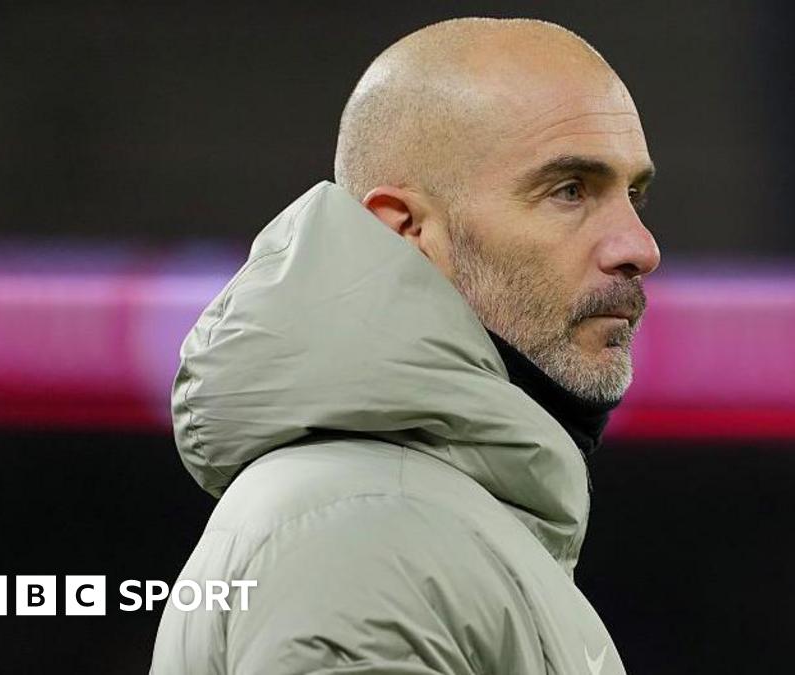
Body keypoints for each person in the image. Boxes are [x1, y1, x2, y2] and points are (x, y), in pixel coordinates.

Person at [150, 16, 659, 675]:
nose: (639, 246)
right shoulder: (368, 535)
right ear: (407, 231)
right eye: (569, 191)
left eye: (634, 193)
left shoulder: (409, 516)